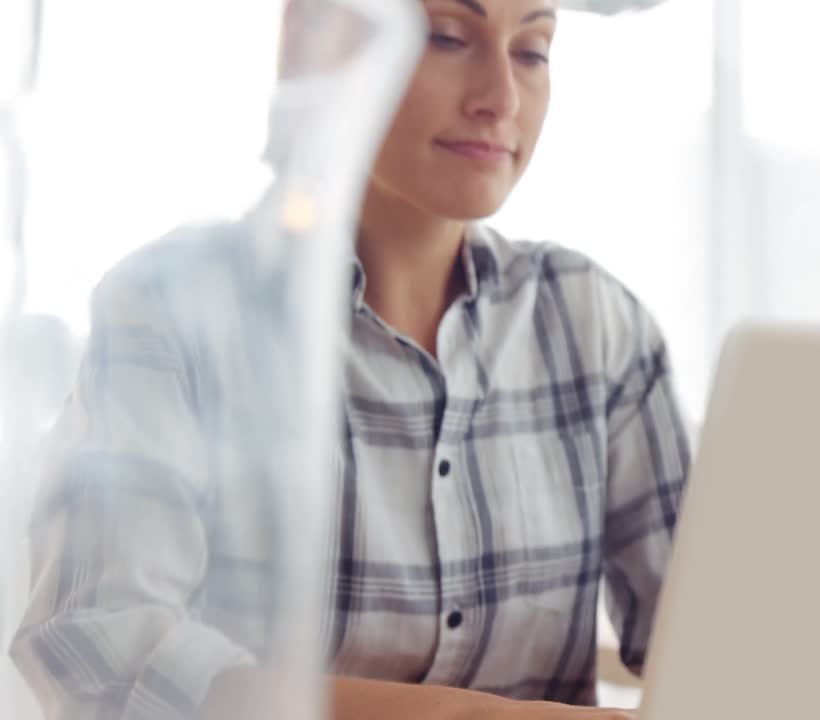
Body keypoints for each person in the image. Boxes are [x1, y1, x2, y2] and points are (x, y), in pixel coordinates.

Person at [9, 1, 690, 718]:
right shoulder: (173, 310)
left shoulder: (596, 324)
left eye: (533, 51)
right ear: (322, 41)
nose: (501, 98)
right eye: (449, 37)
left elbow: (713, 638)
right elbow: (102, 653)